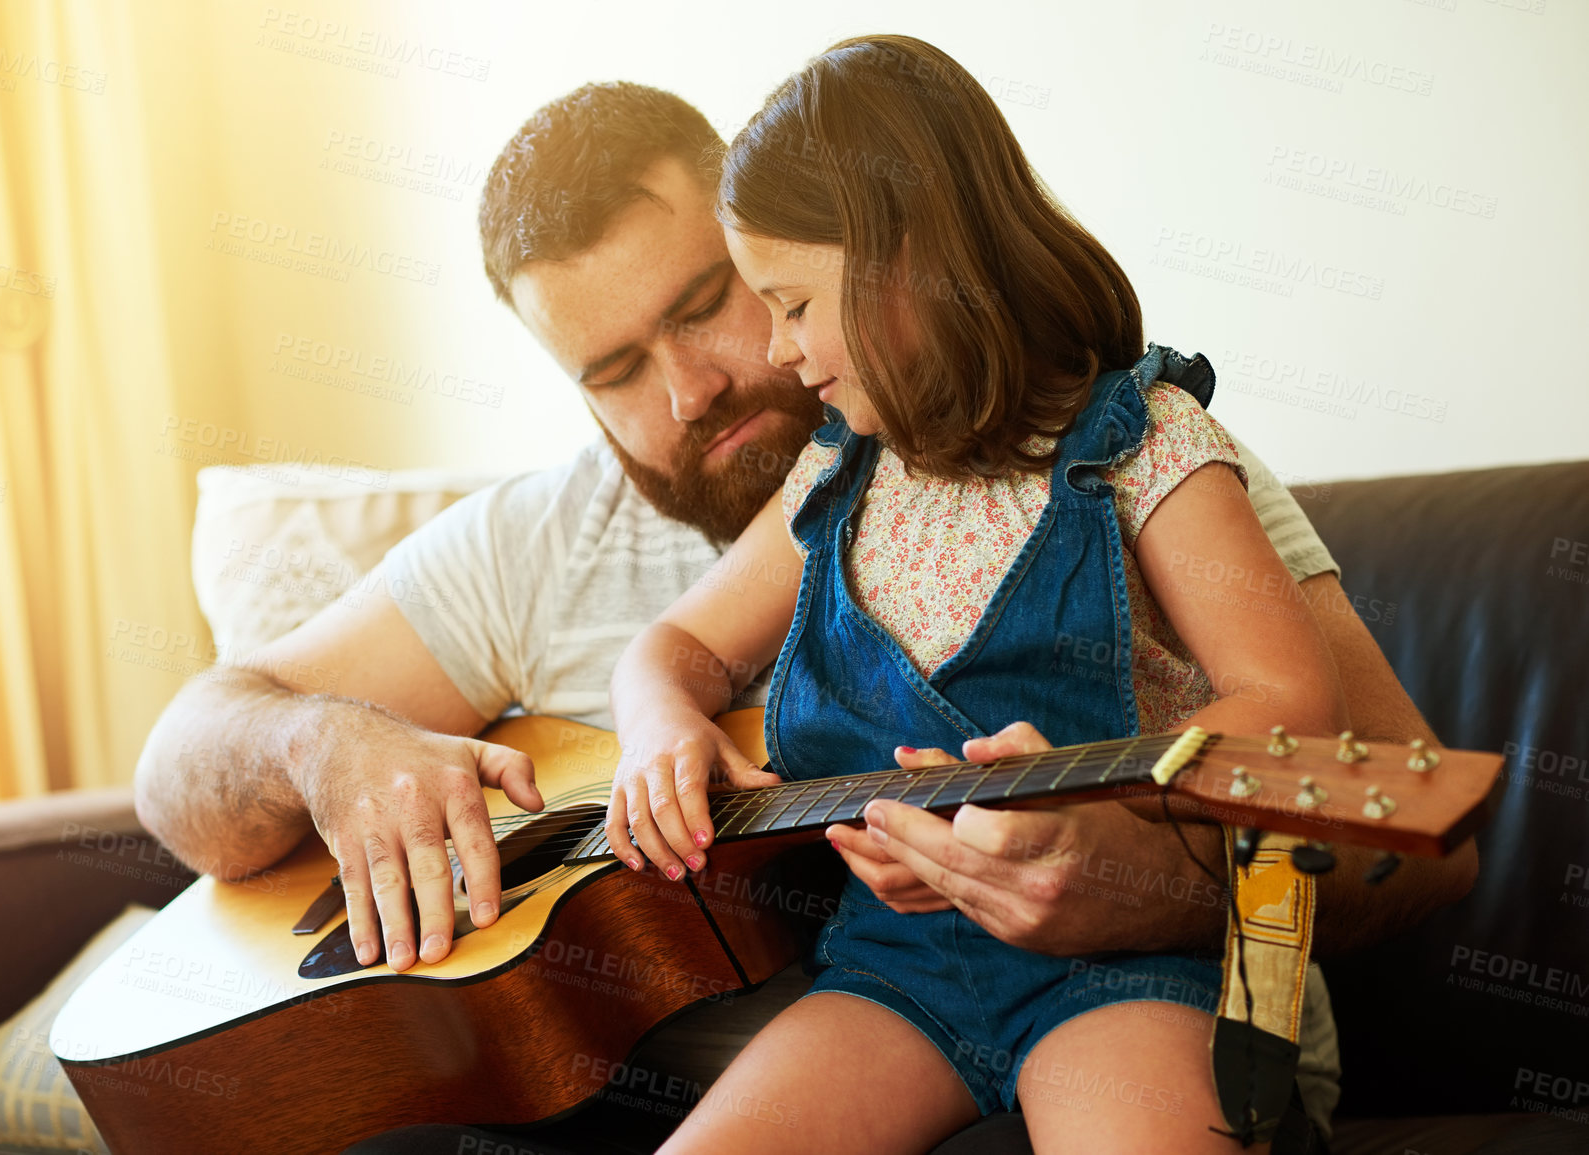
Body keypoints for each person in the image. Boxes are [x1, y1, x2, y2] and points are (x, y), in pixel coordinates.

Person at [133, 76, 1472, 1150]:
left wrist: (1139, 871)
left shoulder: (1148, 447)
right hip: (879, 982)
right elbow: (193, 756)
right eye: (610, 367)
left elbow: (1382, 809)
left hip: (1127, 988)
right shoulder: (750, 496)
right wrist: (347, 743)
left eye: (734, 302)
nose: (708, 382)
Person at [601, 35, 1382, 1155]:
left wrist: (1104, 817)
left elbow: (1293, 703)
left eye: (792, 303)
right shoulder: (835, 477)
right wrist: (658, 723)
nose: (777, 348)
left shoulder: (1147, 444)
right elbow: (674, 646)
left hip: (1136, 963)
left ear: (905, 259)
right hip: (898, 973)